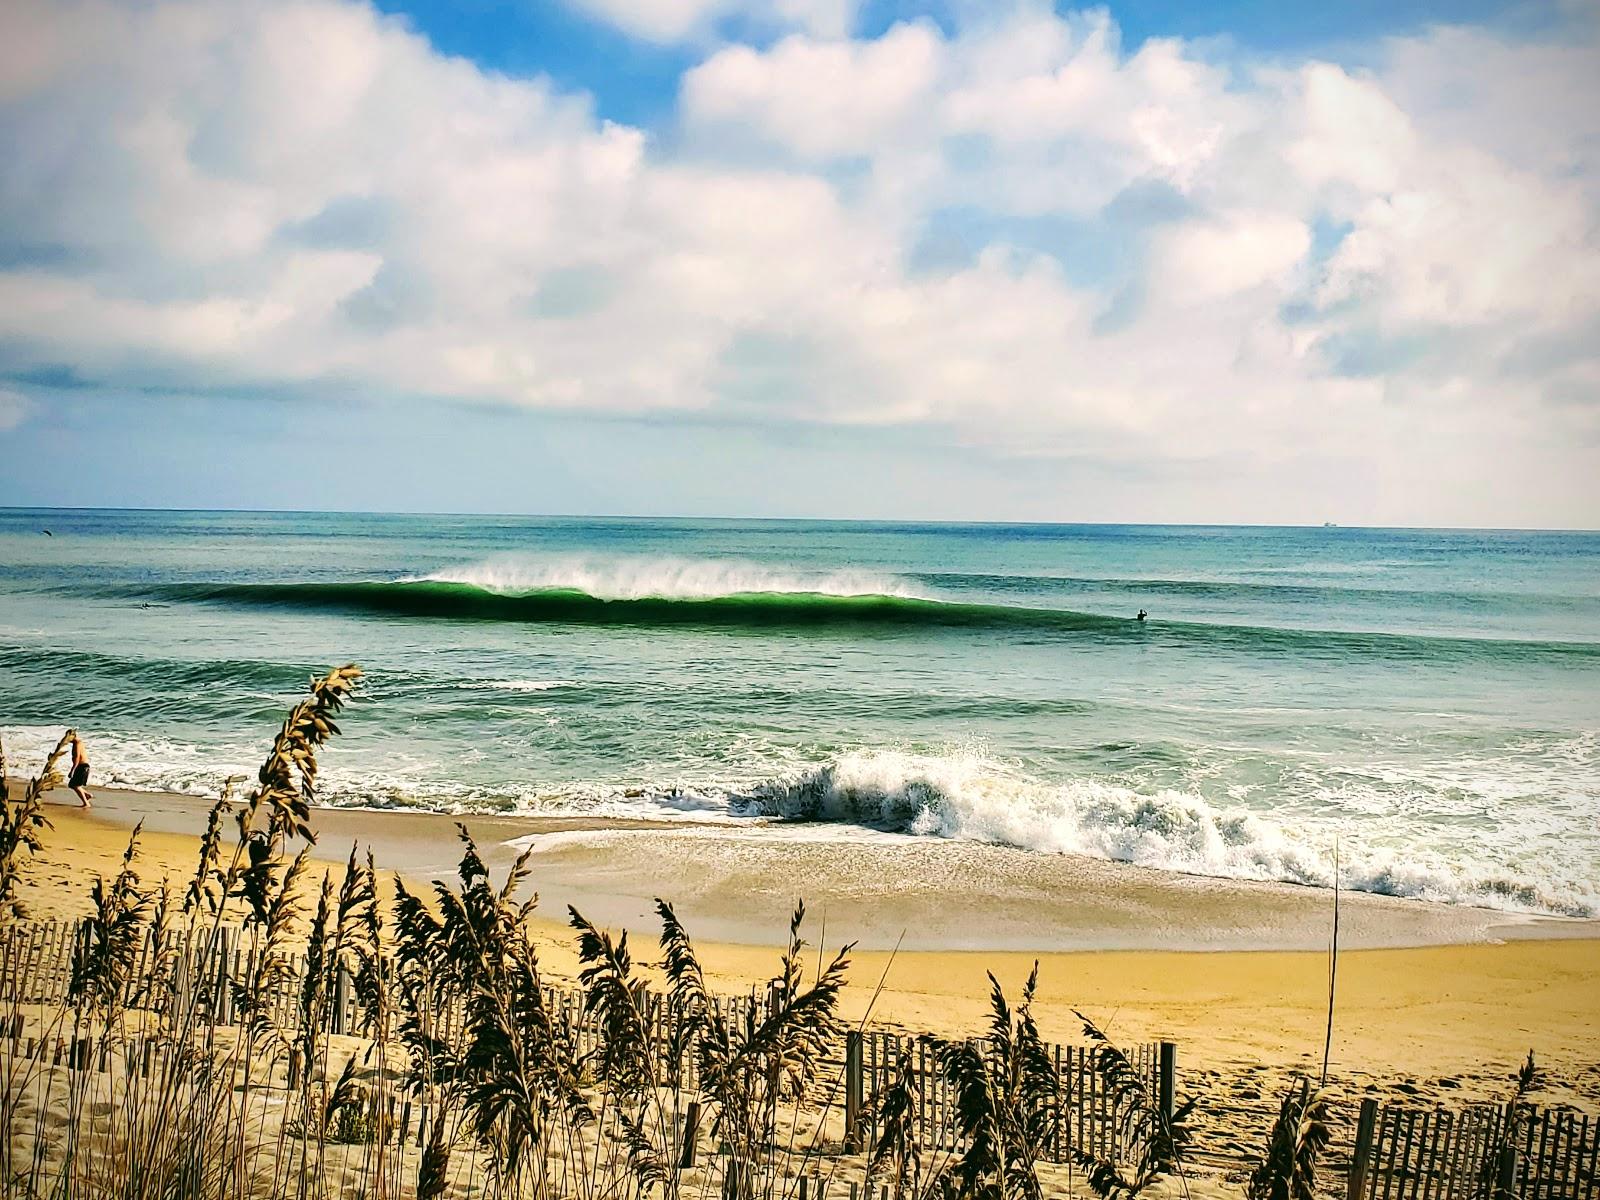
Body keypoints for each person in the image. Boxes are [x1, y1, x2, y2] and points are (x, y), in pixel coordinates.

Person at [67, 732, 93, 807]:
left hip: (82, 767)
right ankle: (87, 795)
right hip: (83, 766)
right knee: (71, 785)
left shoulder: (77, 744)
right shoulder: (79, 742)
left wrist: (72, 770)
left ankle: (86, 803)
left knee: (76, 786)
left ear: (73, 736)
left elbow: (77, 758)